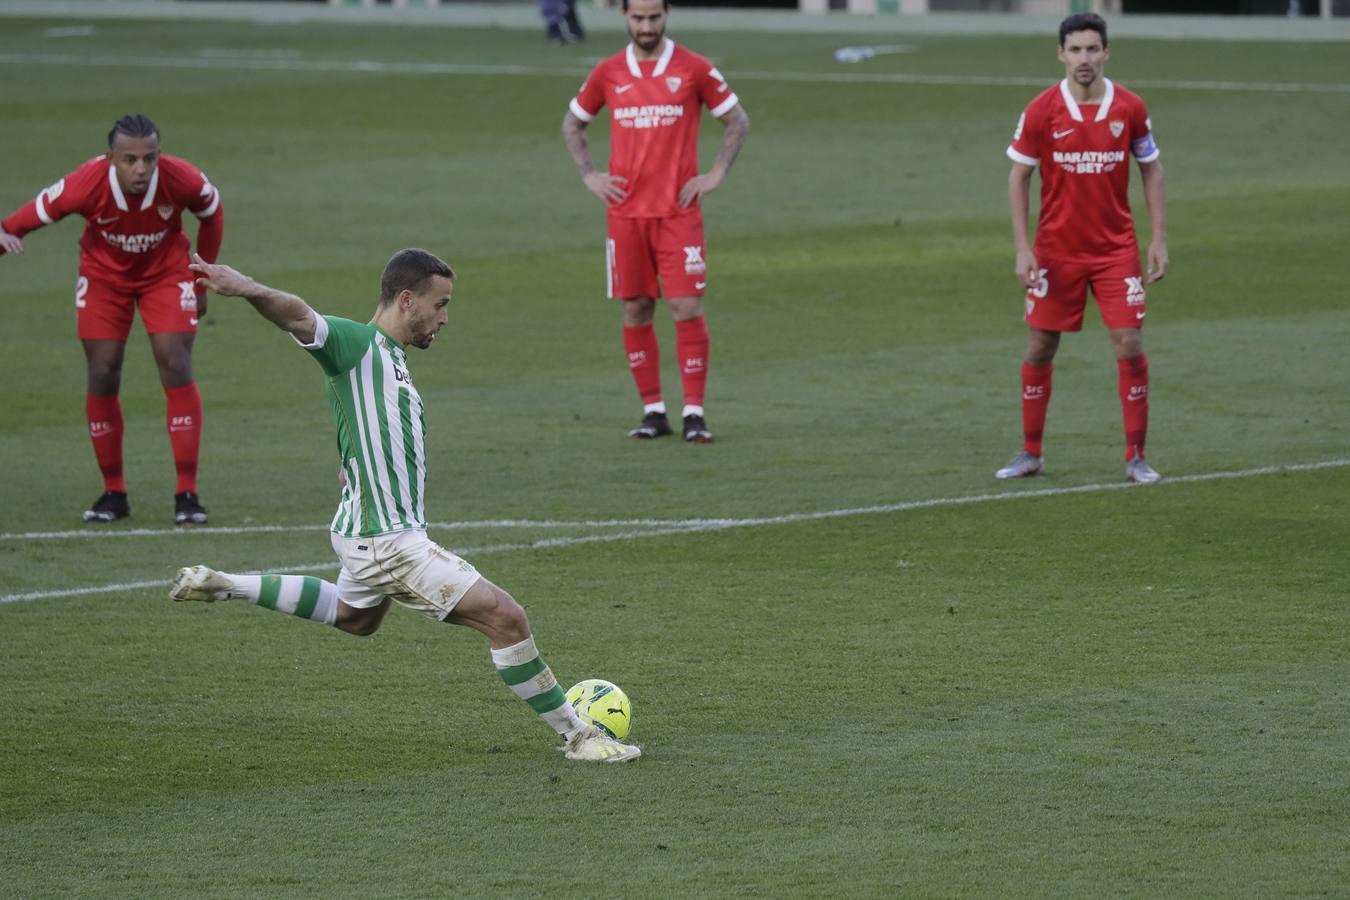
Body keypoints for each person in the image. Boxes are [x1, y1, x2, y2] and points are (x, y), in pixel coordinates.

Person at [169, 249, 641, 764]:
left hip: (360, 530)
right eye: (439, 305)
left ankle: (226, 585)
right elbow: (299, 315)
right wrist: (248, 288)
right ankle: (581, 737)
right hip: (386, 539)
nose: (444, 318)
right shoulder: (359, 347)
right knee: (506, 617)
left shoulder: (390, 361)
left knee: (355, 618)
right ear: (407, 299)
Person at [0, 114, 223, 523]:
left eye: (149, 158)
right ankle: (113, 492)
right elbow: (27, 217)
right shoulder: (86, 183)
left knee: (175, 360)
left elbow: (212, 212)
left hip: (166, 273)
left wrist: (202, 280)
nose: (141, 169)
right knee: (102, 371)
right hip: (103, 280)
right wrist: (5, 234)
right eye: (130, 159)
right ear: (111, 158)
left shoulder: (181, 178)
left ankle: (186, 495)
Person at [562, 0, 749, 443]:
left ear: (667, 14)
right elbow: (573, 122)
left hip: (678, 212)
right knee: (636, 307)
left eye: (654, 17)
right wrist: (590, 175)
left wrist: (715, 174)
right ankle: (653, 412)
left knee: (686, 306)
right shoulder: (609, 71)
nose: (646, 26)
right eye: (638, 18)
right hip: (625, 214)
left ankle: (695, 414)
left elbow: (736, 120)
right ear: (625, 17)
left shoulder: (694, 68)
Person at [999, 13, 1168, 484]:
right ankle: (1031, 452)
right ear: (1061, 54)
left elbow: (1151, 167)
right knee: (1039, 346)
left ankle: (1136, 457)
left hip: (1116, 251)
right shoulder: (1041, 110)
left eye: (1092, 49)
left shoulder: (1129, 107)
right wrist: (1022, 248)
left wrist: (1158, 238)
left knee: (1129, 343)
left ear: (1106, 52)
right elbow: (1019, 175)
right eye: (1075, 50)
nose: (1084, 59)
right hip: (1056, 252)